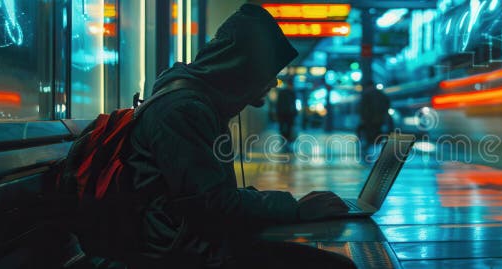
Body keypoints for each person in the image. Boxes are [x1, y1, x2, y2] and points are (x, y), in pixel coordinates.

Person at [122, 4, 353, 268]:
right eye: (268, 70)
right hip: (180, 251)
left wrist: (290, 206)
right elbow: (210, 205)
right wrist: (293, 207)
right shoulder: (183, 111)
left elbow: (206, 197)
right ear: (242, 66)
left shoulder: (195, 104)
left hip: (190, 240)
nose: (274, 82)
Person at [357, 81, 391, 157]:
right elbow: (387, 103)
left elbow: (362, 108)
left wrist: (363, 117)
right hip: (379, 119)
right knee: (377, 134)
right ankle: (377, 151)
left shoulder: (366, 94)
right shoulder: (381, 94)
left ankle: (368, 151)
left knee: (369, 134)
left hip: (368, 120)